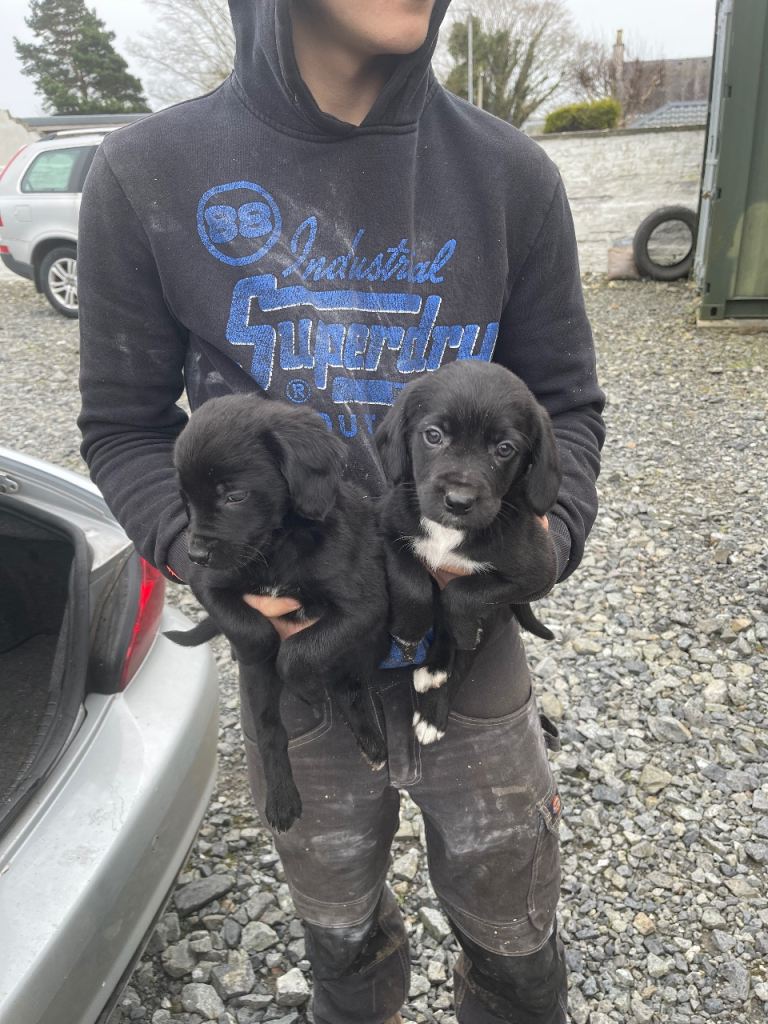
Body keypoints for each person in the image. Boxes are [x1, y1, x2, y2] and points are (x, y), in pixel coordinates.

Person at [78, 1, 605, 1021]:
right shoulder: (148, 171)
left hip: (472, 633)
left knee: (514, 923)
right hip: (299, 652)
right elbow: (124, 425)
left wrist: (548, 535)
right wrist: (206, 558)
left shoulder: (510, 177)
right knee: (338, 925)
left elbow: (566, 404)